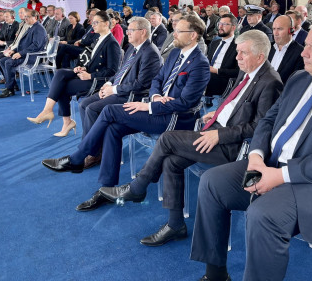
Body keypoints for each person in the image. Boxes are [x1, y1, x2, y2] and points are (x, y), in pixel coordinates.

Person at [189, 19, 312, 281]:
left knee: (262, 215)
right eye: (305, 46)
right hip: (270, 165)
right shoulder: (299, 78)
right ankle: (215, 274)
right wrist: (256, 156)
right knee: (212, 182)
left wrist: (281, 176)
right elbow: (268, 120)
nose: (303, 53)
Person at [99, 30, 284, 245]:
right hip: (213, 130)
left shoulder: (271, 82)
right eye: (237, 52)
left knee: (167, 139)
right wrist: (216, 114)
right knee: (171, 161)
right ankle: (175, 225)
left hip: (231, 146)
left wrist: (219, 134)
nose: (237, 57)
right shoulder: (248, 70)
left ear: (260, 57)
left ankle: (137, 188)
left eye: (243, 53)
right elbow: (234, 103)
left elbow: (260, 127)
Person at [41, 15, 211, 209]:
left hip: (174, 119)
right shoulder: (174, 54)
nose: (174, 35)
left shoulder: (200, 64)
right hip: (157, 109)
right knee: (113, 128)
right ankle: (106, 187)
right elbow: (157, 80)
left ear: (193, 35)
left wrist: (149, 106)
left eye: (179, 31)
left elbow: (185, 103)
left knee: (109, 111)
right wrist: (156, 97)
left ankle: (77, 158)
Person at [27, 11, 121, 135]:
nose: (93, 25)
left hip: (97, 81)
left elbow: (113, 71)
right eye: (92, 22)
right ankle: (48, 111)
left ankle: (64, 121)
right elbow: (93, 62)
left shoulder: (112, 43)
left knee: (61, 87)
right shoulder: (99, 38)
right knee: (60, 73)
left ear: (106, 24)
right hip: (87, 74)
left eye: (96, 22)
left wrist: (90, 75)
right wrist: (83, 68)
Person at [78, 17, 162, 144]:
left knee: (92, 109)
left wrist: (113, 90)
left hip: (130, 95)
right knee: (83, 104)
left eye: (131, 30)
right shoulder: (132, 48)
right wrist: (108, 84)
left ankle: (90, 149)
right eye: (128, 30)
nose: (127, 33)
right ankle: (91, 146)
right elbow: (120, 71)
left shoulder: (150, 52)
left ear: (143, 32)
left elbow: (141, 84)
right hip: (118, 89)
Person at [0, 9, 48, 98]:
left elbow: (36, 46)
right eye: (25, 17)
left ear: (35, 17)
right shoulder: (31, 27)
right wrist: (14, 50)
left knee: (8, 62)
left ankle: (10, 89)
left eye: (28, 17)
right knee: (2, 60)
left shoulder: (38, 28)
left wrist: (20, 53)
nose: (25, 19)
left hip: (33, 56)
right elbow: (24, 44)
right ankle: (12, 85)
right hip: (26, 54)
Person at [206, 14, 239, 98]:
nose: (220, 27)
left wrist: (216, 71)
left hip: (224, 86)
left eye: (224, 24)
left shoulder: (238, 46)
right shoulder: (214, 43)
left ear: (233, 27)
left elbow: (238, 72)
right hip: (207, 82)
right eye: (219, 24)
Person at [268, 15, 304, 84]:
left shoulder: (300, 53)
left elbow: (295, 83)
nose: (275, 33)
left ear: (291, 30)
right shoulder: (268, 47)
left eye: (280, 29)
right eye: (274, 29)